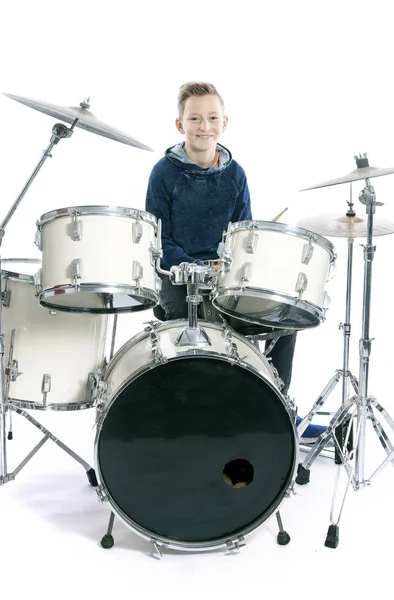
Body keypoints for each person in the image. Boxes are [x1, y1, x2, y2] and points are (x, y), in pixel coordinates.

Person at [145, 81, 325, 443]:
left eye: (212, 118)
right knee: (195, 320)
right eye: (195, 118)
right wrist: (194, 268)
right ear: (180, 125)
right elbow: (158, 239)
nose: (204, 126)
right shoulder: (163, 173)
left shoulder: (235, 174)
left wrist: (229, 265)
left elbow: (244, 234)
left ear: (224, 123)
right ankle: (190, 418)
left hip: (225, 277)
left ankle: (276, 407)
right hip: (179, 280)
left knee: (283, 317)